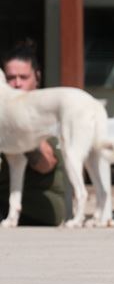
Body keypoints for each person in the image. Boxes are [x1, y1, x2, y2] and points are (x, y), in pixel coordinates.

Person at [0, 38, 69, 226]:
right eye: (10, 78)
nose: (16, 84)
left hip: (40, 204)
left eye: (23, 77)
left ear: (37, 77)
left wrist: (21, 133)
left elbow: (47, 163)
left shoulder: (46, 107)